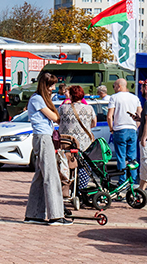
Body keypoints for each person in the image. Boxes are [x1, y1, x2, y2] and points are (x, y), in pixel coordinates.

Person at [24, 72, 72, 225]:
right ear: (45, 85)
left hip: (43, 137)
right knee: (51, 176)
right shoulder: (38, 99)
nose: (53, 88)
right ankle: (56, 215)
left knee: (40, 176)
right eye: (51, 85)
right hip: (43, 137)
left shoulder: (39, 98)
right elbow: (54, 117)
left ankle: (34, 214)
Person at [58, 85, 96, 193]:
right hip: (84, 143)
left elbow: (58, 121)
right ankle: (81, 190)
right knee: (83, 166)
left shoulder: (63, 108)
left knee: (67, 165)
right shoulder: (89, 108)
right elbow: (94, 123)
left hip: (67, 143)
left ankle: (67, 189)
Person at [107, 78, 142, 186]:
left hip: (120, 129)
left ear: (118, 86)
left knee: (121, 157)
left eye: (114, 86)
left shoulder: (114, 98)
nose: (113, 88)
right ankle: (133, 181)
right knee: (132, 157)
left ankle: (122, 182)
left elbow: (109, 116)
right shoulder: (134, 98)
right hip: (132, 129)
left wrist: (111, 128)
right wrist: (136, 126)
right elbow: (140, 114)